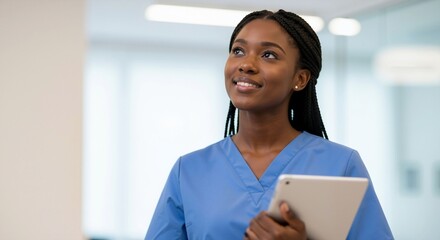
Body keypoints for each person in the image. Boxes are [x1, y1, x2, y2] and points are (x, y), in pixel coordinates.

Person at [145, 9, 394, 240]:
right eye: (238, 51)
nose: (246, 64)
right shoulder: (189, 171)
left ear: (300, 78)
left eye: (268, 55)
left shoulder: (341, 166)